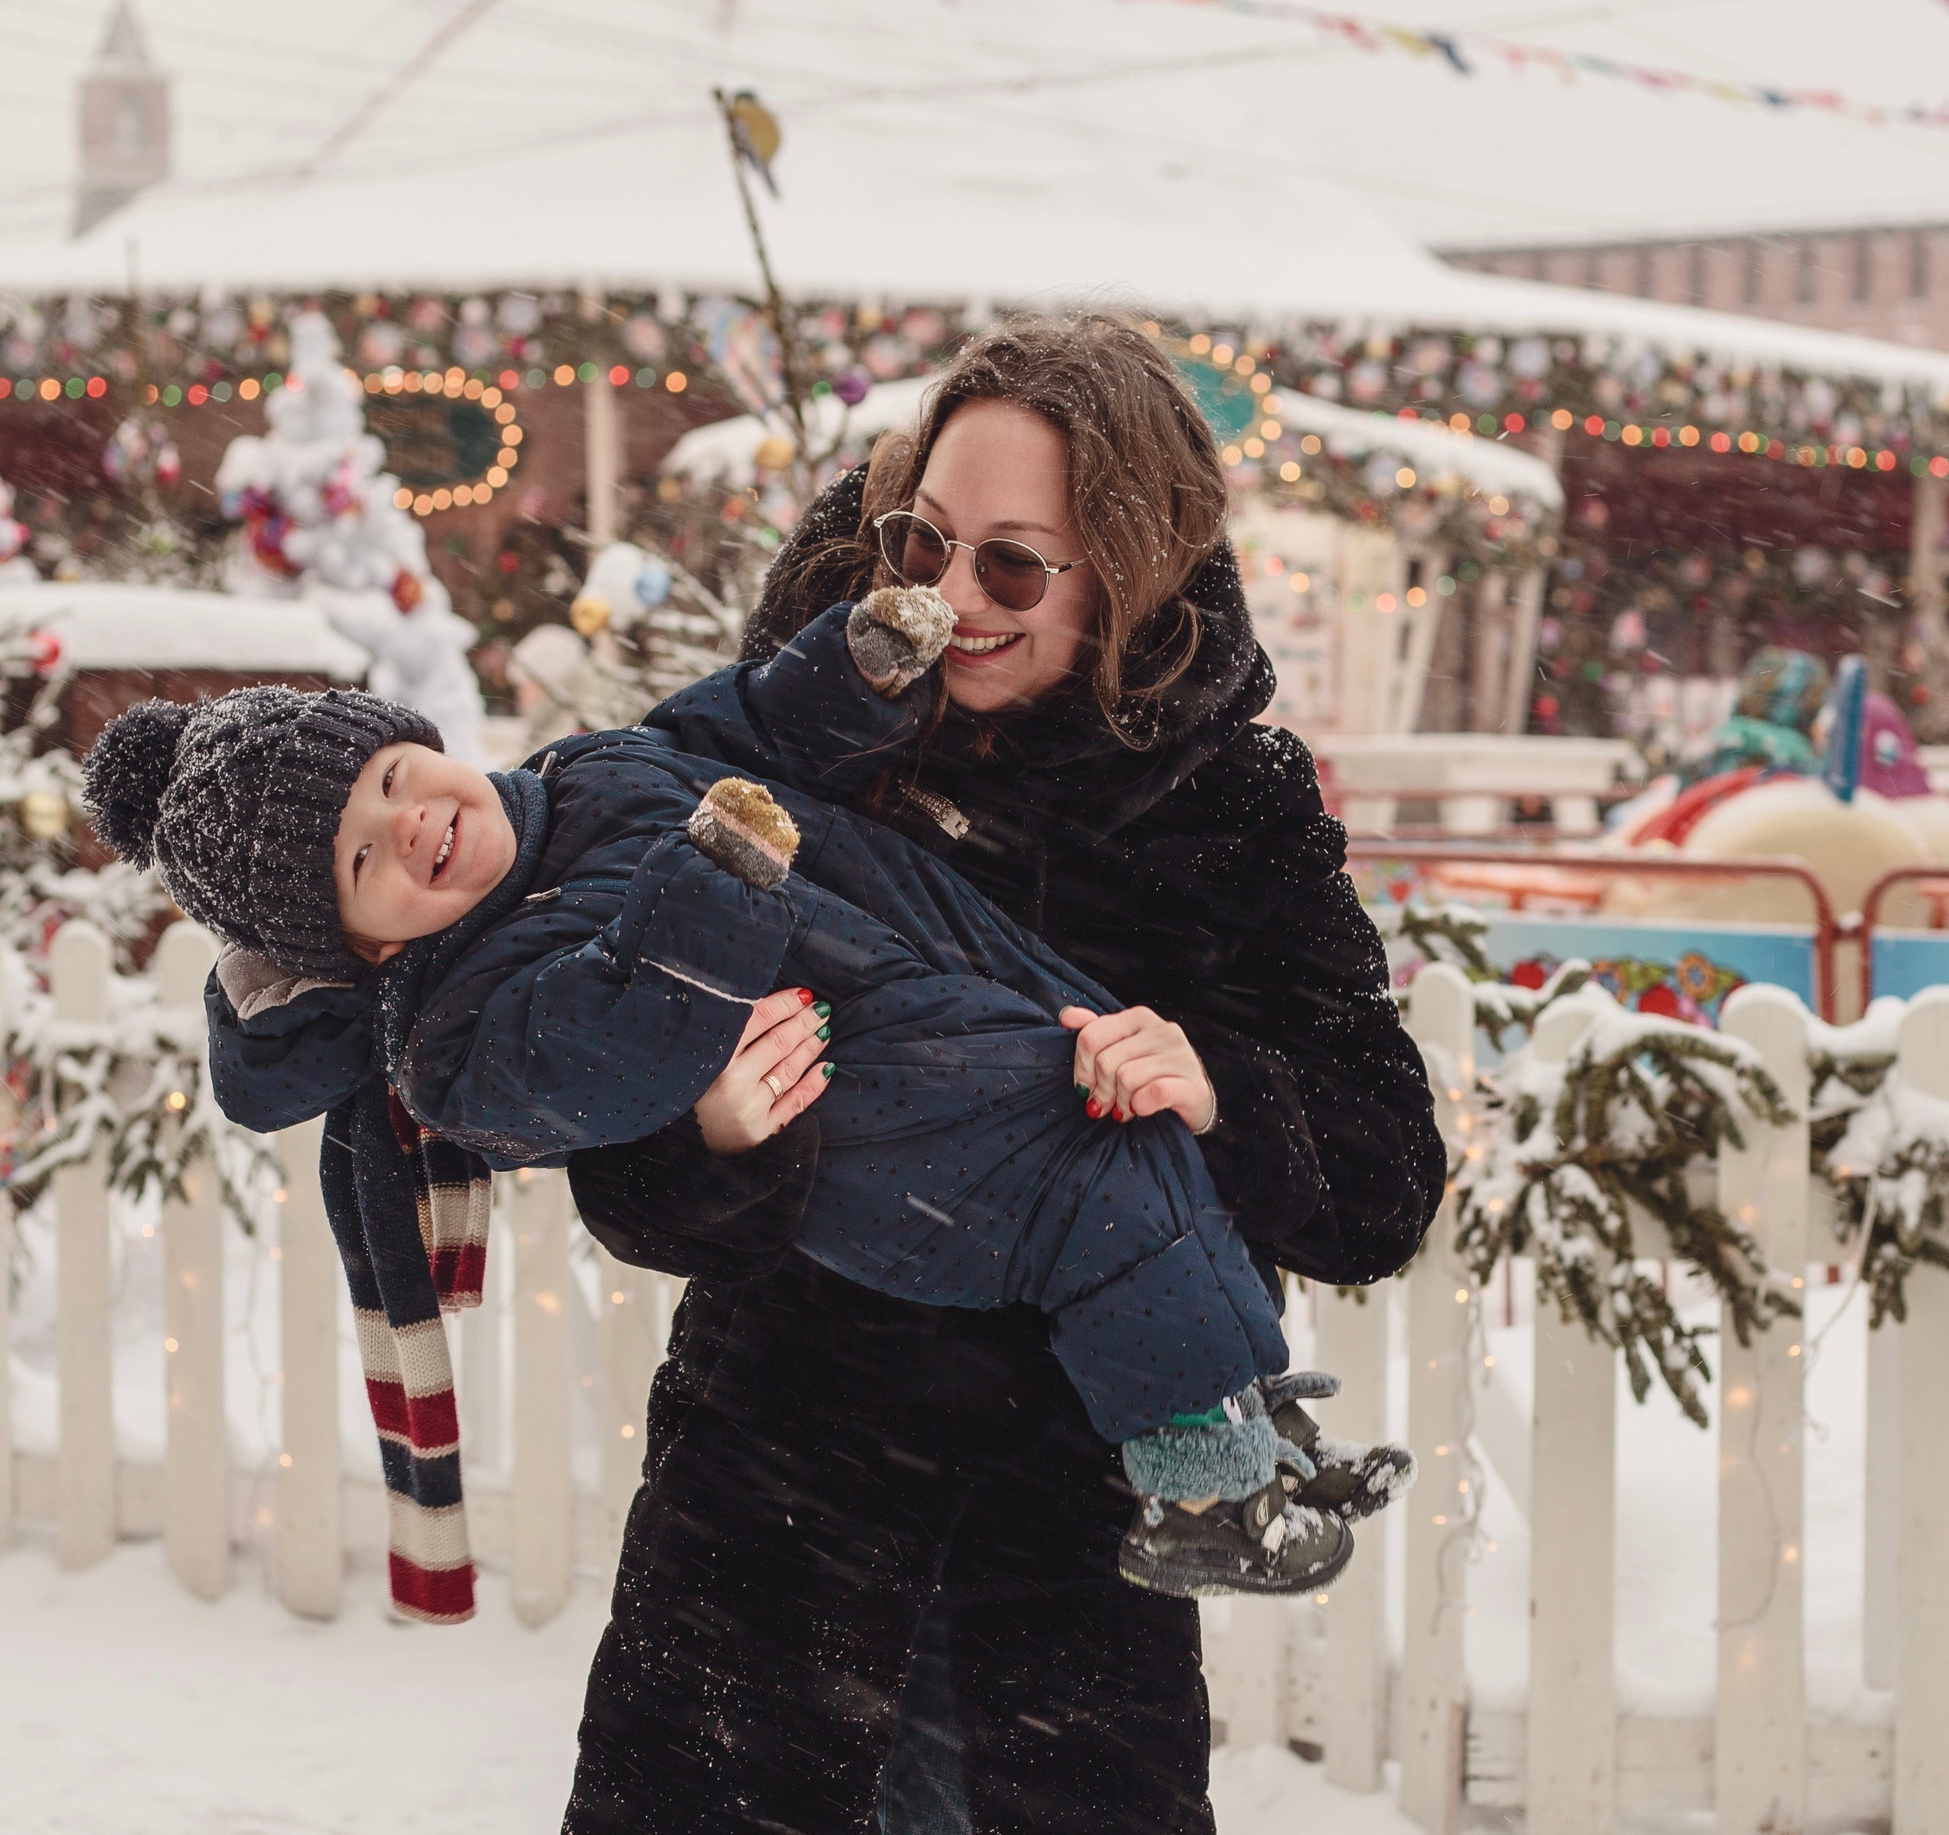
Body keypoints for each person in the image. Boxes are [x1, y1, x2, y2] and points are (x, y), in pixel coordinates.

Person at [558, 311, 1445, 1834]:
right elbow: (625, 1176)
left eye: (1014, 566)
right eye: (923, 542)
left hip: (1059, 1597)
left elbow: (1380, 1181)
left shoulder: (1228, 805)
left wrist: (1212, 1082)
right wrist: (715, 1127)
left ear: (1129, 566)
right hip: (766, 1553)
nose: (949, 600)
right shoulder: (794, 752)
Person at [82, 580, 1390, 1607]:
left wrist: (862, 662)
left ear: (414, 739)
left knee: (1142, 1151)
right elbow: (613, 1042)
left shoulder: (593, 769)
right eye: (362, 860)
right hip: (880, 1131)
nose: (408, 822)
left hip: (947, 977)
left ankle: (1236, 1426)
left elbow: (754, 722)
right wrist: (712, 885)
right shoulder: (457, 1035)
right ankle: (1205, 1500)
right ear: (361, 944)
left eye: (384, 781)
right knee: (1103, 1197)